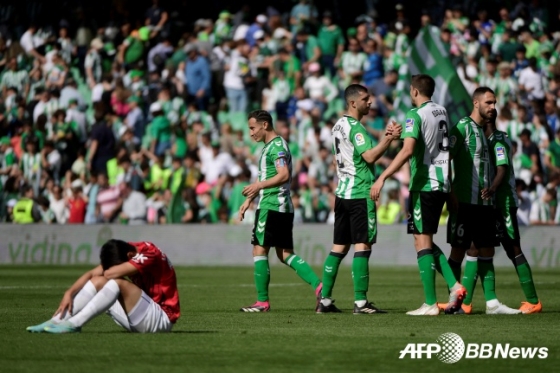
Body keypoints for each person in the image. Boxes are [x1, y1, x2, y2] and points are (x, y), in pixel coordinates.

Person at [370, 74, 467, 315]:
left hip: (424, 185)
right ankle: (453, 287)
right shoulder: (441, 111)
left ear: (414, 91)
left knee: (422, 241)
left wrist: (383, 176)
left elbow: (408, 150)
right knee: (421, 240)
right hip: (442, 183)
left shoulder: (415, 114)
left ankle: (431, 303)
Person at [317, 84, 401, 314]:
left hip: (342, 192)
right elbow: (370, 156)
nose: (370, 102)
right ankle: (361, 303)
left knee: (338, 248)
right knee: (362, 245)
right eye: (365, 99)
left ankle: (324, 301)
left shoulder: (337, 125)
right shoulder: (356, 128)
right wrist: (389, 138)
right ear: (353, 103)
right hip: (359, 192)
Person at [444, 87, 520, 315]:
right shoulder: (462, 127)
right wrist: (450, 194)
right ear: (476, 103)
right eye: (488, 103)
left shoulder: (484, 134)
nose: (493, 107)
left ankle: (492, 303)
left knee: (487, 251)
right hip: (464, 203)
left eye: (494, 103)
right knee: (458, 252)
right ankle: (454, 302)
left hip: (485, 204)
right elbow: (445, 158)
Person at [238, 110, 322, 312]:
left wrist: (258, 188)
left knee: (259, 250)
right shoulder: (272, 147)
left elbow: (283, 174)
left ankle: (262, 302)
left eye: (252, 128)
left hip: (272, 205)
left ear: (264, 125)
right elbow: (268, 177)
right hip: (281, 205)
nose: (250, 133)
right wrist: (249, 200)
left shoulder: (276, 147)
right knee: (285, 254)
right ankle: (321, 288)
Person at [27, 239, 180, 333]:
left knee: (117, 282)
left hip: (160, 320)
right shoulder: (128, 250)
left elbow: (110, 274)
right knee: (98, 281)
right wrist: (69, 292)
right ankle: (57, 320)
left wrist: (107, 271)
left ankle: (74, 324)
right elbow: (93, 274)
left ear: (129, 257)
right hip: (140, 317)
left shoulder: (149, 254)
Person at [484, 116, 541, 313]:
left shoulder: (498, 140)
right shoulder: (493, 138)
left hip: (504, 202)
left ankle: (533, 301)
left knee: (513, 247)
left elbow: (502, 169)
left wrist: (491, 189)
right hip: (494, 203)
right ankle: (467, 303)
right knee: (485, 249)